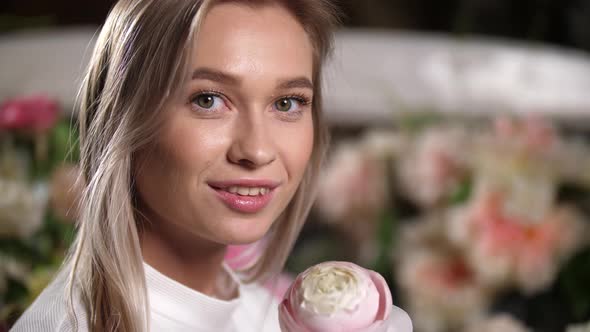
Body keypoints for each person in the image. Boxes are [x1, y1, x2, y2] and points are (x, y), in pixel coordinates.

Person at [12, 0, 339, 331]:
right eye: (207, 100)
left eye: (287, 103)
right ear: (122, 120)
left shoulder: (271, 316)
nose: (256, 150)